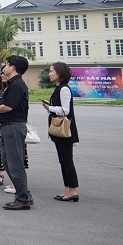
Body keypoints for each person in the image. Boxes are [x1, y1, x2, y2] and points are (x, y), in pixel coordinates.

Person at [0, 55, 32, 210]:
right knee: (6, 161)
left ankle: (22, 198)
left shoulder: (17, 84)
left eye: (6, 64)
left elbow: (9, 107)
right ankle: (23, 193)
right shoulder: (11, 84)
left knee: (14, 163)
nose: (4, 67)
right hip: (7, 126)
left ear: (13, 67)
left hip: (13, 127)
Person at [43, 61, 79, 202]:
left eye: (52, 71)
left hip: (65, 130)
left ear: (60, 73)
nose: (49, 74)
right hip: (59, 130)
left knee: (67, 161)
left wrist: (49, 108)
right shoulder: (59, 88)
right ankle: (67, 189)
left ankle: (73, 190)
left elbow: (65, 110)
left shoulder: (64, 89)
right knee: (63, 161)